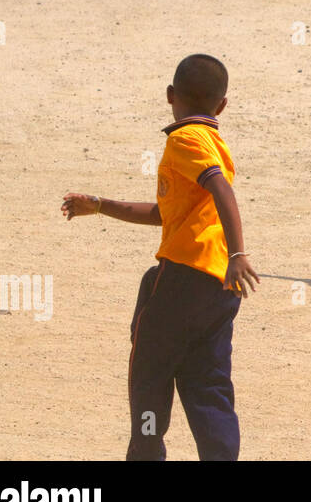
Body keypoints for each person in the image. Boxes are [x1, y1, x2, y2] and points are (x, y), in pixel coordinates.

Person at [61, 54, 259, 460]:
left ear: (170, 95)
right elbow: (165, 214)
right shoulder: (215, 143)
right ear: (221, 106)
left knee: (149, 375)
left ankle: (146, 452)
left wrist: (240, 251)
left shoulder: (184, 140)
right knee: (209, 382)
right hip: (219, 286)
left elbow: (221, 190)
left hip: (182, 282)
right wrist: (99, 205)